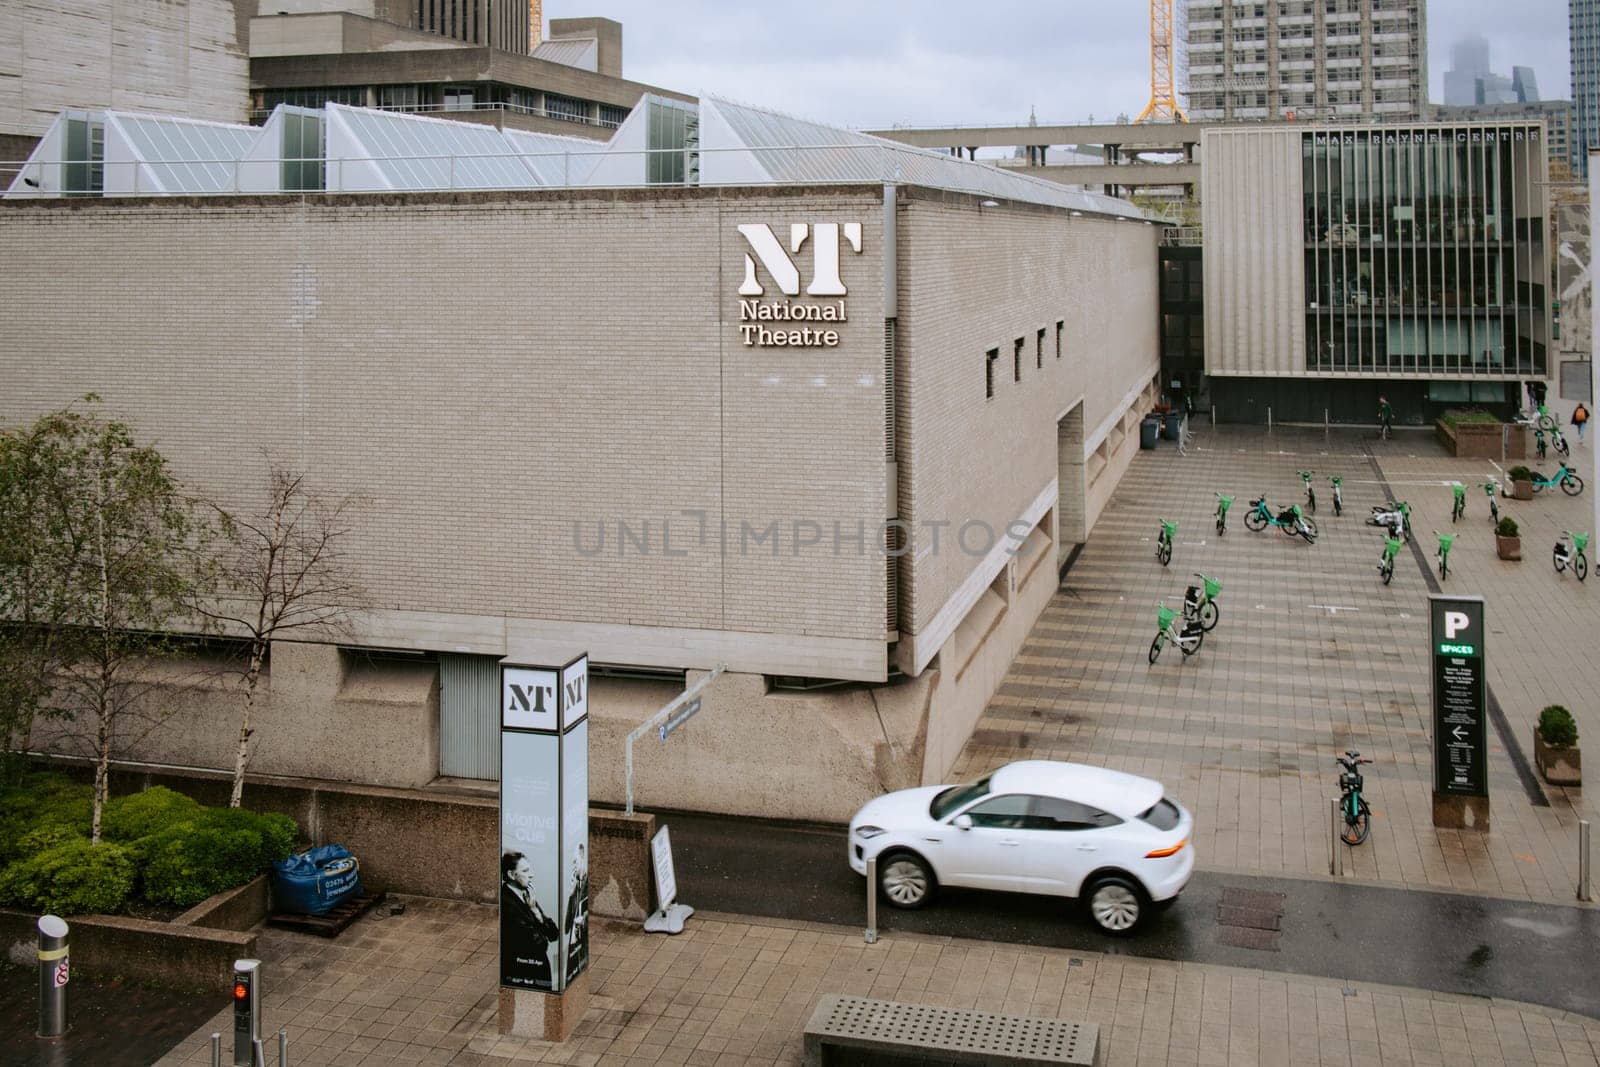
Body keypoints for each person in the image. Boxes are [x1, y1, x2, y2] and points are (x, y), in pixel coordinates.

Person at [500, 851, 559, 990]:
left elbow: (553, 933)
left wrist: (535, 911)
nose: (531, 875)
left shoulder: (526, 895)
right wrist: (541, 930)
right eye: (525, 871)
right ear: (511, 875)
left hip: (537, 972)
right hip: (522, 974)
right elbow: (539, 944)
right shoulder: (507, 903)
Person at [563, 843, 590, 983]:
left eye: (575, 861)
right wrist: (571, 894)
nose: (573, 866)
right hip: (573, 950)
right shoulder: (574, 887)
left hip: (582, 947)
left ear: (582, 858)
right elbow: (566, 927)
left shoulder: (588, 881)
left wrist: (583, 919)